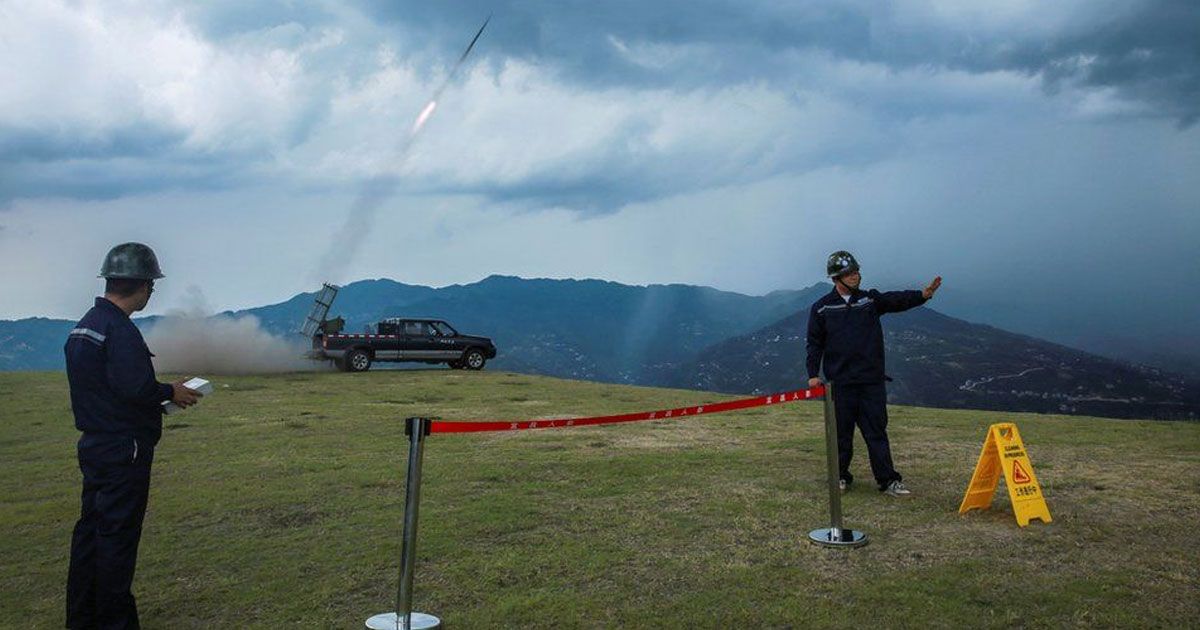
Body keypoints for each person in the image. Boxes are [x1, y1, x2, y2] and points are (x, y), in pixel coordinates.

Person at [64, 242, 201, 629]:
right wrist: (169, 392)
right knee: (117, 542)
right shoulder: (120, 331)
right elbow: (135, 388)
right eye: (151, 285)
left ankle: (82, 618)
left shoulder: (85, 327)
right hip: (125, 450)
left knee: (90, 535)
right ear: (143, 286)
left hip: (94, 446)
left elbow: (109, 390)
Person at [805, 250, 941, 497]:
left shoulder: (869, 300)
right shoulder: (822, 308)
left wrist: (922, 296)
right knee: (841, 435)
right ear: (837, 278)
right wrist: (813, 374)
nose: (856, 276)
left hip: (871, 382)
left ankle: (888, 481)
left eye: (856, 271)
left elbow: (894, 300)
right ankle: (840, 478)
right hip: (840, 384)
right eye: (850, 273)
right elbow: (814, 344)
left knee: (876, 432)